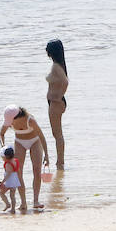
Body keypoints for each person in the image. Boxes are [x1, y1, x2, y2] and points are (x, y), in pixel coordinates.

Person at [0, 107, 48, 210]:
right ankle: (23, 203)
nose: (9, 123)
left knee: (36, 170)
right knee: (18, 172)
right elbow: (1, 134)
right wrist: (3, 146)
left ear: (17, 117)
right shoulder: (9, 122)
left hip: (35, 141)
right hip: (19, 142)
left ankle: (36, 201)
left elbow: (42, 136)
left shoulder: (30, 120)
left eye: (11, 121)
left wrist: (46, 155)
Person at [45, 39, 68, 169]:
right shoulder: (59, 65)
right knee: (57, 134)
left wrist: (58, 96)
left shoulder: (56, 67)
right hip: (56, 102)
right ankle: (60, 161)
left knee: (57, 134)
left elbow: (65, 81)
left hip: (55, 103)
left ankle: (60, 162)